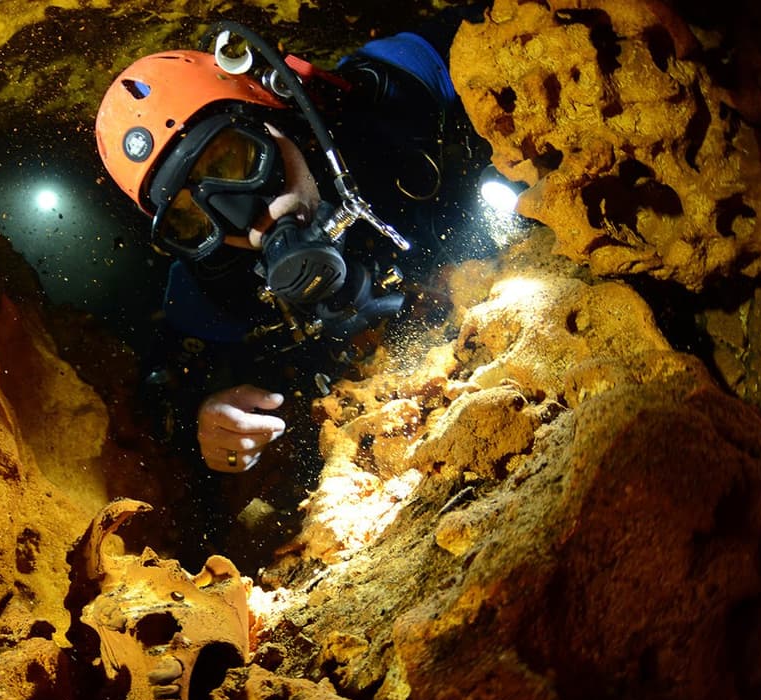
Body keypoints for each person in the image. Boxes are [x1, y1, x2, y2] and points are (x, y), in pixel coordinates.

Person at [93, 19, 487, 492]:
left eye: (233, 161)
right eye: (194, 216)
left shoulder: (384, 94)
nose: (250, 218)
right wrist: (202, 412)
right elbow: (160, 387)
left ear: (272, 114)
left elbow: (502, 29)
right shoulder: (210, 285)